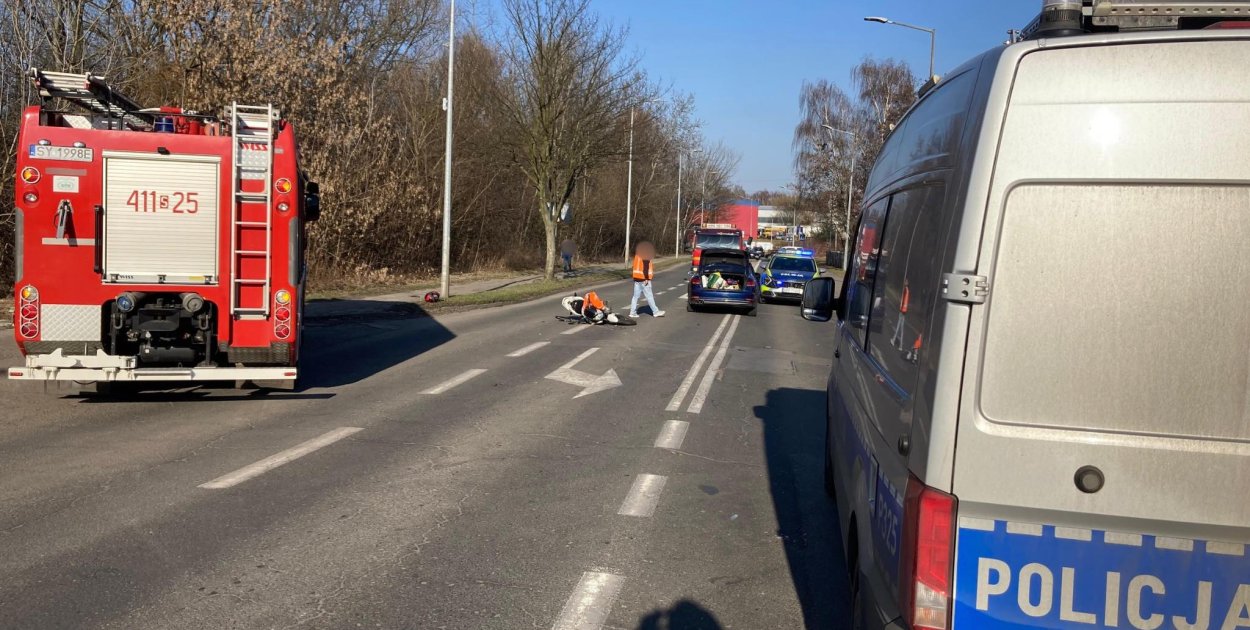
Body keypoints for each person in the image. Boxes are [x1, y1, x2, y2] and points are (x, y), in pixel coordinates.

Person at [629, 241, 664, 318]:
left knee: (635, 297)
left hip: (637, 279)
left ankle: (632, 312)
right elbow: (645, 268)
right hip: (644, 279)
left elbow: (635, 267)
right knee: (649, 296)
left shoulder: (637, 255)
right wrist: (646, 278)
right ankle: (656, 312)